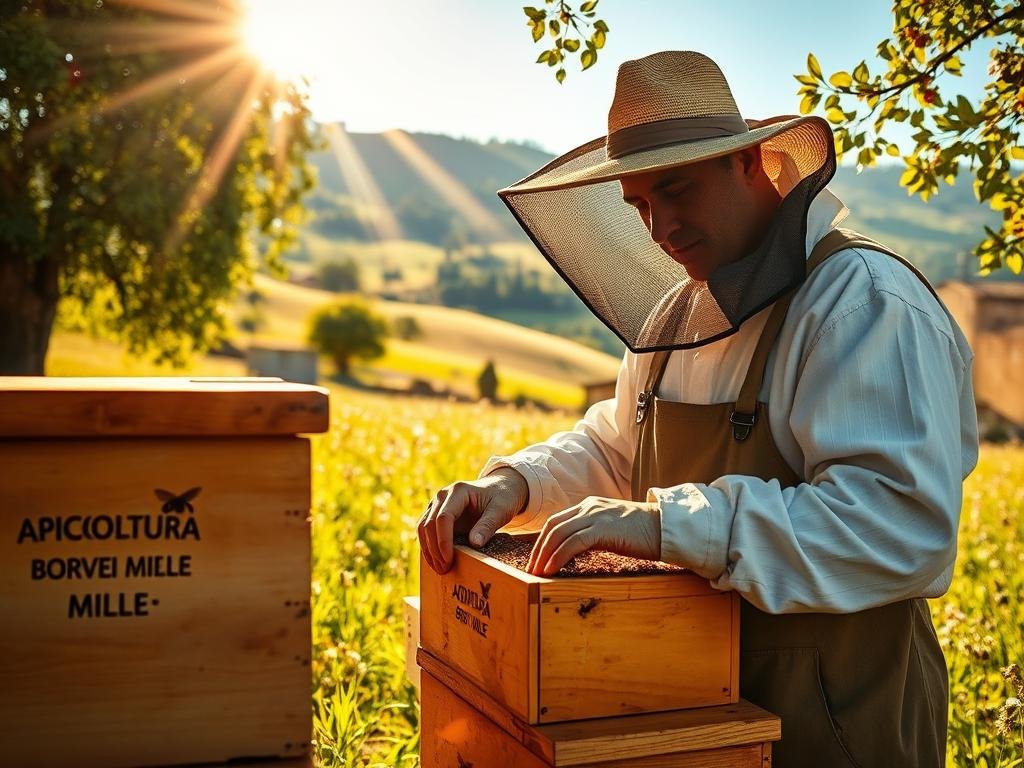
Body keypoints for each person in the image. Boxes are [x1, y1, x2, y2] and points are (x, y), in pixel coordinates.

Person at [418, 50, 978, 767]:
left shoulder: (860, 303)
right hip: (676, 714)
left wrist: (669, 525)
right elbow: (619, 450)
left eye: (675, 191)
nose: (659, 229)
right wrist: (515, 483)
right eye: (641, 205)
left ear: (748, 163)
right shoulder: (674, 315)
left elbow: (899, 523)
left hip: (835, 726)